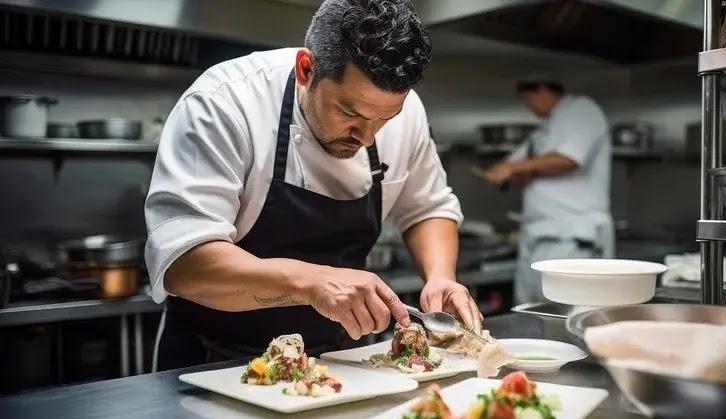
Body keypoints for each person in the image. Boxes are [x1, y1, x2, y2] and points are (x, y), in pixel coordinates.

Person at [145, 0, 482, 371]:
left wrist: (439, 278)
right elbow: (185, 264)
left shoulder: (407, 110)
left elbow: (427, 207)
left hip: (333, 365)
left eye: (385, 118)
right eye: (350, 113)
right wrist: (310, 282)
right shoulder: (224, 104)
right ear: (306, 69)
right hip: (211, 362)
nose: (368, 138)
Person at [482, 80, 613, 304]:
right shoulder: (542, 131)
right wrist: (505, 172)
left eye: (527, 100)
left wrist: (511, 168)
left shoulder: (582, 110)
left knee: (569, 313)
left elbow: (569, 158)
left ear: (541, 90)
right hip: (537, 237)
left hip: (572, 237)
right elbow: (519, 168)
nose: (529, 107)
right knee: (531, 311)